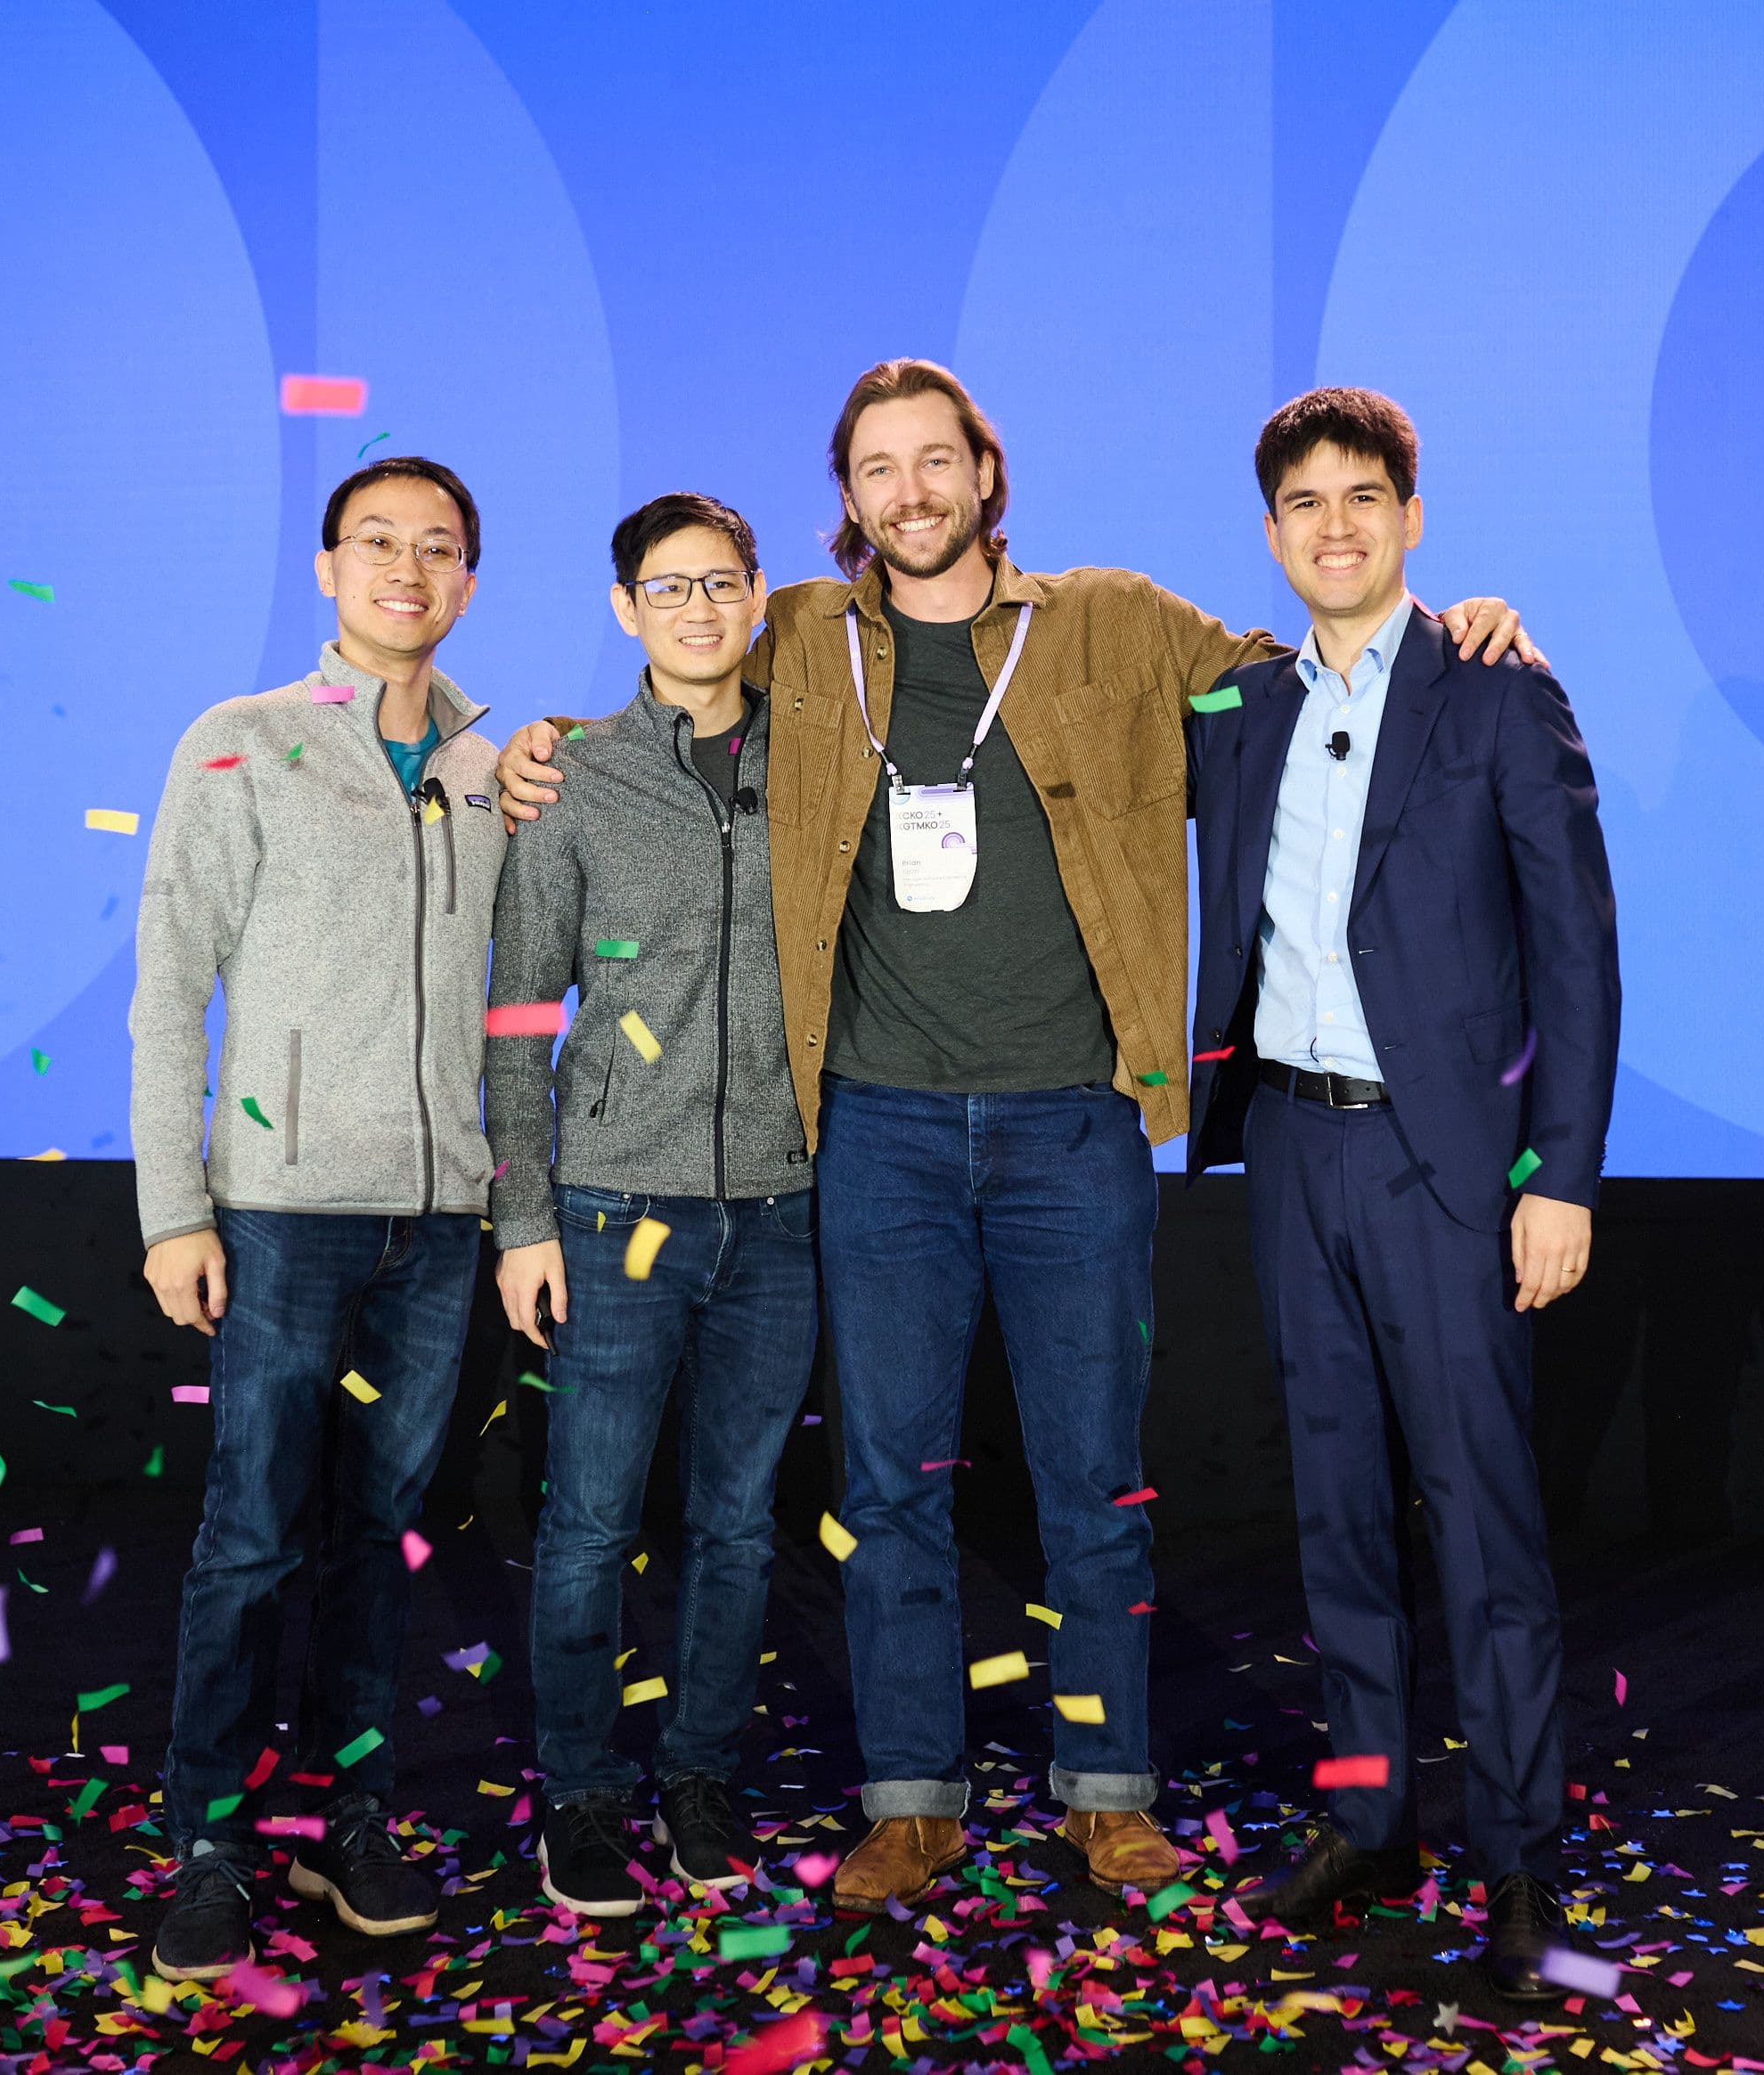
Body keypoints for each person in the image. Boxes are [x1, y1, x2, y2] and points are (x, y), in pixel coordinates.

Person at [496, 360, 1537, 1913]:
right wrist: (525, 749)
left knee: (1091, 1480)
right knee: (895, 1478)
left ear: (987, 473)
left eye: (938, 461)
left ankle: (1106, 1793)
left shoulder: (1114, 622)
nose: (910, 492)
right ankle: (912, 1800)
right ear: (847, 499)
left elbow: (1315, 670)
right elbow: (670, 682)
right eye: (878, 469)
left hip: (1074, 1125)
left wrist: (1461, 631)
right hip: (878, 1131)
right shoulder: (794, 635)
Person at [1188, 388, 1618, 2000]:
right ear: (1275, 530)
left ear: (1413, 517)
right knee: (1338, 1508)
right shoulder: (1236, 706)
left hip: (1451, 1166)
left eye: (1365, 496)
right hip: (1293, 1150)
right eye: (1304, 501)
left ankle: (1521, 1856)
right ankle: (1371, 1819)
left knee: (1484, 1522)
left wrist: (1558, 1175)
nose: (1337, 524)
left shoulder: (1501, 691)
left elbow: (1576, 953)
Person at [128, 457, 508, 1977]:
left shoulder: (498, 767)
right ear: (328, 566)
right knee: (248, 1537)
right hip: (281, 1217)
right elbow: (168, 989)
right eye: (379, 544)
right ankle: (213, 1842)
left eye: (440, 549)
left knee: (380, 1534)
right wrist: (175, 1206)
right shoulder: (243, 744)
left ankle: (358, 1817)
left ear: (469, 581)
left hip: (441, 1223)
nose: (407, 569)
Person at [485, 494, 814, 1917]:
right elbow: (516, 1012)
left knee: (740, 1523)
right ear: (626, 608)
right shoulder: (573, 775)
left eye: (721, 583)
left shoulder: (819, 759)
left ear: (757, 597)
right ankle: (580, 1792)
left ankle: (697, 1774)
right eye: (666, 588)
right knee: (589, 1521)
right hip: (617, 1206)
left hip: (790, 1206)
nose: (697, 608)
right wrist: (523, 1213)